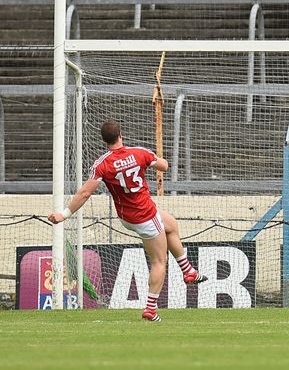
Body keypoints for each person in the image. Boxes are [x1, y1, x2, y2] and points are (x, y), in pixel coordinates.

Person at [48, 119, 207, 322]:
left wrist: (64, 214)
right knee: (159, 261)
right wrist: (153, 158)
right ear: (121, 134)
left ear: (104, 140)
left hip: (126, 217)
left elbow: (85, 193)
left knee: (171, 224)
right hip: (145, 216)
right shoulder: (139, 153)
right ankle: (151, 309)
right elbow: (164, 166)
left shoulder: (102, 163)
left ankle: (188, 271)